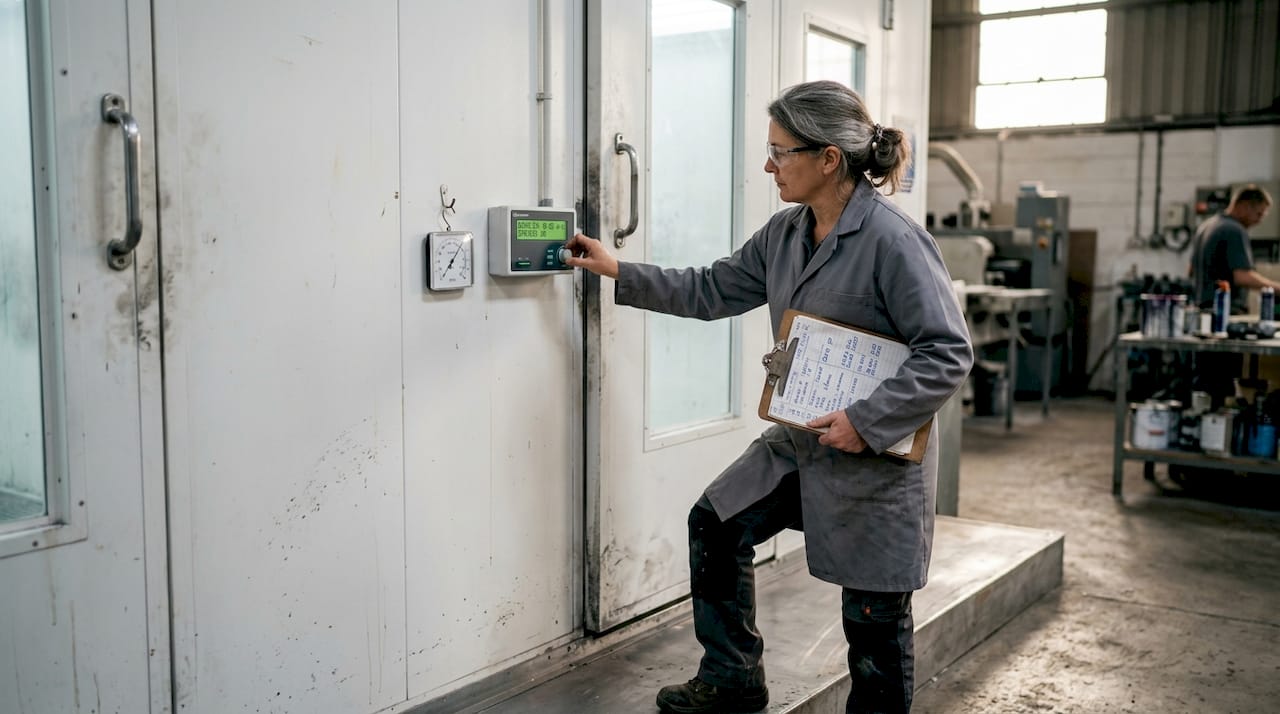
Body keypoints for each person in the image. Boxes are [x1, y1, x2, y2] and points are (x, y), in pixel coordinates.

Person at [564, 80, 973, 714]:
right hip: (802, 442)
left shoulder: (894, 241)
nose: (768, 165)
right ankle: (732, 679)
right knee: (716, 521)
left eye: (780, 152)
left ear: (828, 158)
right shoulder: (786, 233)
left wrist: (865, 422)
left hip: (875, 462)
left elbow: (947, 352)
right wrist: (617, 268)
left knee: (872, 623)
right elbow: (712, 289)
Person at [1189, 184, 1276, 313]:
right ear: (1245, 206)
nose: (1259, 221)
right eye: (1259, 214)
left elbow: (1191, 270)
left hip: (1203, 310)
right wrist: (1276, 288)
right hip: (1225, 310)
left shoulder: (1206, 226)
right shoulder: (1234, 230)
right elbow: (1242, 276)